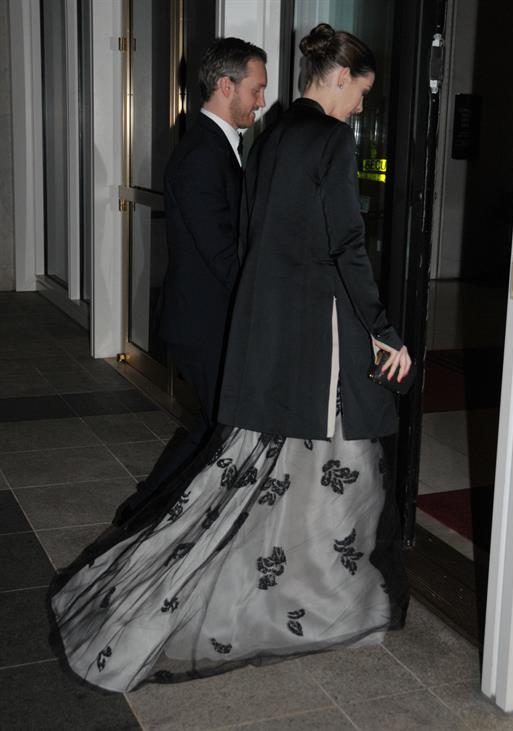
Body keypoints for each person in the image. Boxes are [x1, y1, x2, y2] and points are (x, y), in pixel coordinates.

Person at [49, 23, 411, 694]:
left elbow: (258, 242)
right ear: (338, 78)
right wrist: (385, 330)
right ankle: (320, 594)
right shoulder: (329, 139)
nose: (361, 106)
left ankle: (285, 584)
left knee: (254, 472)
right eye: (360, 91)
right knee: (327, 469)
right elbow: (346, 247)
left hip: (273, 338)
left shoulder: (271, 136)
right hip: (314, 341)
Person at [137, 37, 268, 502]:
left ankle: (150, 510)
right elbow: (220, 253)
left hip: (208, 318)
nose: (261, 101)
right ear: (227, 86)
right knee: (217, 426)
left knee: (214, 425)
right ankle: (145, 511)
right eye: (256, 90)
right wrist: (264, 301)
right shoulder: (200, 155)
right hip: (203, 321)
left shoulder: (219, 145)